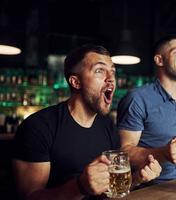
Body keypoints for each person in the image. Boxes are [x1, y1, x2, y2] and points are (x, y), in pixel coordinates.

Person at [12, 44, 161, 200]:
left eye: (113, 72)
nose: (111, 79)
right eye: (99, 70)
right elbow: (30, 197)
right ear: (75, 82)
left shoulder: (108, 126)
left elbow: (109, 191)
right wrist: (80, 187)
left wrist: (136, 178)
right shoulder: (38, 127)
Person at [117, 34, 176, 184]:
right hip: (147, 188)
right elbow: (123, 153)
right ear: (159, 60)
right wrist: (162, 153)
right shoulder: (137, 99)